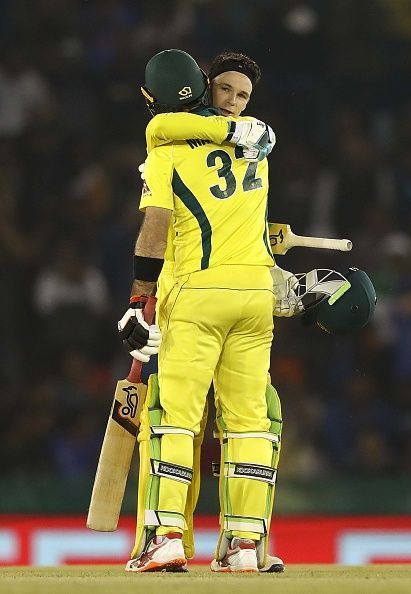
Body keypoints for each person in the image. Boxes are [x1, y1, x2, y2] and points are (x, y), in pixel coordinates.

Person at [118, 49, 281, 573]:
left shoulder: (165, 149)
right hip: (255, 296)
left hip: (195, 294)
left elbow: (156, 228)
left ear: (150, 99)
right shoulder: (256, 142)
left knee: (175, 418)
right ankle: (244, 546)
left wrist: (140, 296)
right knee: (249, 421)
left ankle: (164, 535)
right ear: (207, 87)